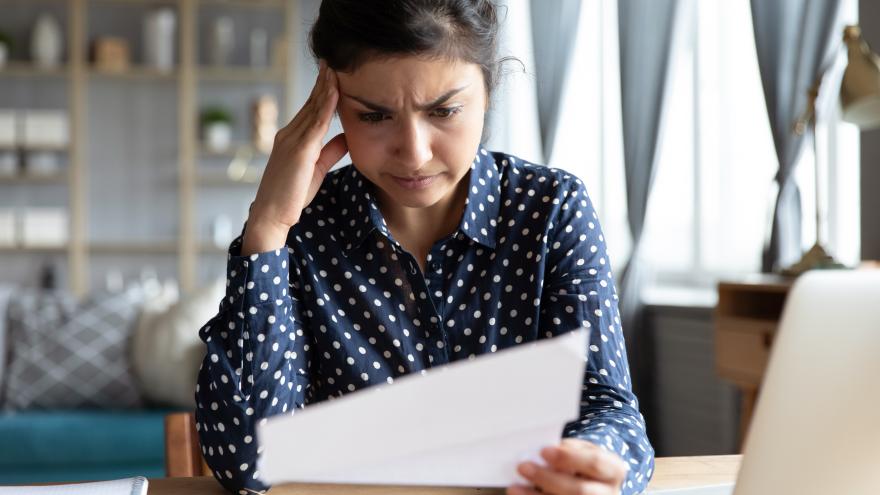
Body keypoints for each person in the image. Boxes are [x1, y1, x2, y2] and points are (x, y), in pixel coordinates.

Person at [194, 1, 655, 494]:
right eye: (374, 115)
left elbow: (611, 411)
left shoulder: (550, 209)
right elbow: (248, 464)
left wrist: (596, 464)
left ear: (487, 91)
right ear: (330, 108)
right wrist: (267, 226)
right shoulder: (304, 228)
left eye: (444, 111)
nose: (414, 152)